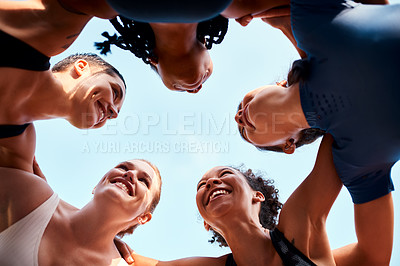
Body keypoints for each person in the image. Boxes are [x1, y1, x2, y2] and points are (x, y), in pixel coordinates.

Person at [126, 135, 393, 265]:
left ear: (258, 195)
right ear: (207, 224)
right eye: (202, 185)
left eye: (225, 174)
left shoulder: (298, 229)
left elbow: (338, 141)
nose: (211, 183)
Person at [235, 0, 398, 204]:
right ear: (288, 146)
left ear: (280, 83)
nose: (238, 117)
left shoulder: (314, 26)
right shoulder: (354, 162)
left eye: (241, 104)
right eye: (244, 132)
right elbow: (375, 238)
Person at [0, 120, 162, 265]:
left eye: (143, 181)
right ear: (95, 187)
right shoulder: (33, 199)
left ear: (144, 217)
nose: (130, 174)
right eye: (123, 167)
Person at [0, 52, 125, 137]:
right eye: (115, 93)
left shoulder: (21, 144)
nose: (113, 113)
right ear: (82, 67)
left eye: (110, 116)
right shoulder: (27, 53)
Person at [95, 16, 228, 93]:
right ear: (204, 40)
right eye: (206, 79)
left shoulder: (116, 7)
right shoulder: (228, 7)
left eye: (179, 89)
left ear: (151, 59)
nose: (195, 89)